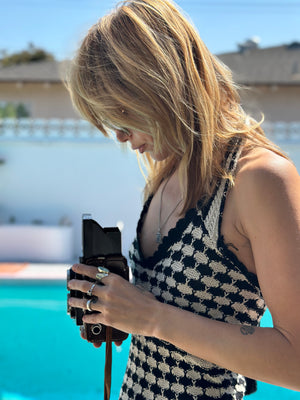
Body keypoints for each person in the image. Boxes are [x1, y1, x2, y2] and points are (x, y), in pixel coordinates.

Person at [66, 0, 300, 398]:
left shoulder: (258, 179)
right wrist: (117, 311)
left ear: (162, 83)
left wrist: (153, 318)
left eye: (121, 113)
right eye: (109, 122)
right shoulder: (166, 171)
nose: (119, 136)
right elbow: (173, 329)